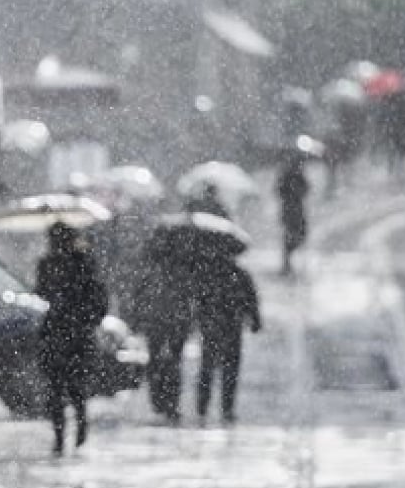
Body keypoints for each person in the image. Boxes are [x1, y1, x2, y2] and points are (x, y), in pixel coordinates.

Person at [34, 222, 108, 456]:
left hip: (72, 332)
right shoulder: (49, 263)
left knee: (70, 388)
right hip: (60, 331)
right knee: (60, 389)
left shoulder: (81, 263)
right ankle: (63, 436)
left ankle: (75, 430)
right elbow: (41, 291)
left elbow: (97, 297)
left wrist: (82, 316)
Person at [128, 226, 195, 421]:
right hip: (173, 321)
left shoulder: (150, 267)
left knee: (157, 361)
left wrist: (136, 318)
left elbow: (138, 295)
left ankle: (160, 400)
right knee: (172, 362)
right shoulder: (182, 268)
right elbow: (188, 295)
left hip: (157, 320)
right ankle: (169, 402)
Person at [192, 256, 261, 420]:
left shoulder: (209, 274)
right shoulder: (240, 275)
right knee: (228, 369)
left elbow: (198, 301)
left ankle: (203, 407)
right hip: (230, 328)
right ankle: (225, 408)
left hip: (213, 328)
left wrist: (199, 319)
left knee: (208, 368)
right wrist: (255, 320)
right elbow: (251, 300)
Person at [277, 151, 311, 275]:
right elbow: (279, 191)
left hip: (295, 210)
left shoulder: (297, 175)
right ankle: (287, 262)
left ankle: (288, 260)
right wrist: (292, 193)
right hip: (290, 210)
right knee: (291, 235)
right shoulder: (287, 175)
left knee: (297, 234)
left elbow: (306, 189)